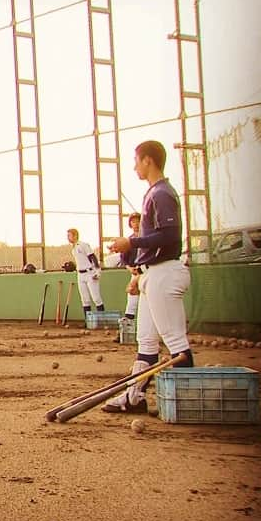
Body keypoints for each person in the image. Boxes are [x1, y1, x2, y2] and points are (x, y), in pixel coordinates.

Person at [103, 140, 194, 414]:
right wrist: (138, 273)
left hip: (165, 273)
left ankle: (187, 402)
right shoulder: (155, 192)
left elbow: (170, 235)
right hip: (154, 273)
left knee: (176, 341)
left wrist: (131, 242)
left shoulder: (162, 193)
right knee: (146, 340)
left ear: (148, 161)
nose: (134, 167)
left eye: (136, 160)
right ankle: (135, 397)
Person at [110, 212, 142, 343]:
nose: (136, 223)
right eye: (133, 221)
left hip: (149, 273)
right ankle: (125, 332)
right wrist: (131, 269)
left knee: (152, 304)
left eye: (138, 220)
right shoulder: (128, 241)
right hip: (135, 274)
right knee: (132, 304)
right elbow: (125, 261)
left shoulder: (149, 237)